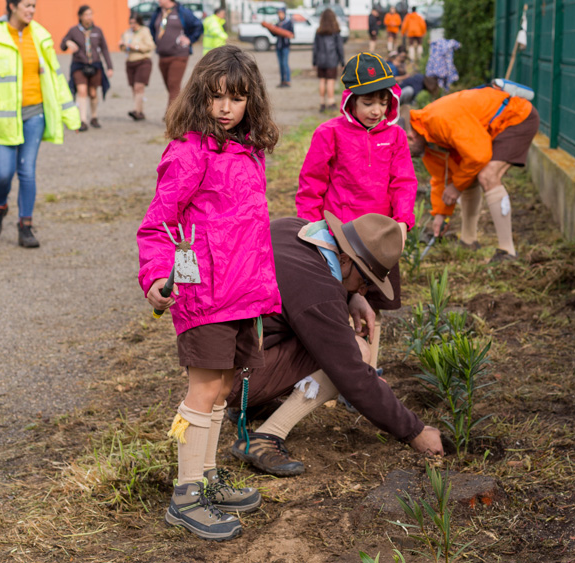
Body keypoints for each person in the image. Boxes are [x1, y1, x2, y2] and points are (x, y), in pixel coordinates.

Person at [139, 45, 281, 541]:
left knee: (222, 387)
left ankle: (205, 477)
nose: (225, 108)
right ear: (200, 96)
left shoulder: (247, 150)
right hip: (204, 293)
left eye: (236, 98)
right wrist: (157, 275)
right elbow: (159, 223)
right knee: (203, 389)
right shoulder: (188, 152)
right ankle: (185, 496)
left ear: (250, 102)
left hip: (244, 292)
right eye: (216, 97)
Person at [226, 212, 444, 477]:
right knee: (354, 352)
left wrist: (350, 294)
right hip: (234, 380)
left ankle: (252, 406)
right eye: (364, 282)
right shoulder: (318, 292)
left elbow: (303, 293)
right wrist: (414, 431)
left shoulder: (293, 229)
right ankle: (266, 436)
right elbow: (351, 374)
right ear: (343, 260)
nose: (364, 291)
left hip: (219, 359)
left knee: (324, 339)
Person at [296, 53, 416, 365]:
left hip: (379, 242)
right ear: (350, 101)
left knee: (373, 305)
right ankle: (341, 371)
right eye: (368, 103)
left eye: (382, 101)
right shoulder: (329, 133)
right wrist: (313, 232)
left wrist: (401, 223)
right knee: (337, 304)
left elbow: (403, 181)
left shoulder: (396, 137)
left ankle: (370, 369)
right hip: (341, 239)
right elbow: (312, 184)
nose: (377, 110)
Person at [0, 0, 81, 248]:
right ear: (12, 6)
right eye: (27, 5)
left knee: (27, 171)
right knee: (4, 173)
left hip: (34, 115)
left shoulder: (40, 36)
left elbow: (55, 78)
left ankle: (25, 226)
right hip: (1, 117)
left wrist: (71, 115)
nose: (31, 10)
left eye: (33, 6)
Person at [408, 85, 539, 261]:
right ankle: (468, 241)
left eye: (403, 149)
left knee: (487, 176)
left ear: (410, 136)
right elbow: (442, 179)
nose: (405, 154)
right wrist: (441, 214)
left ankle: (508, 252)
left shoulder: (438, 120)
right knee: (467, 178)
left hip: (516, 117)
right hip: (492, 129)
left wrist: (456, 187)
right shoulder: (427, 141)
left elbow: (479, 156)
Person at [149, 0, 204, 110]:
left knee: (174, 85)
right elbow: (152, 29)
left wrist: (190, 39)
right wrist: (156, 41)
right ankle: (182, 111)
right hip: (163, 55)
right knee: (170, 87)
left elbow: (198, 25)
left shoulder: (182, 11)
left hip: (179, 55)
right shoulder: (158, 12)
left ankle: (170, 117)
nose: (158, 0)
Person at [60, 5, 114, 131]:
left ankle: (94, 116)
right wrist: (68, 43)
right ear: (80, 16)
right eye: (86, 14)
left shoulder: (97, 31)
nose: (89, 17)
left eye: (91, 14)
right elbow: (62, 44)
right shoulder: (73, 30)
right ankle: (82, 120)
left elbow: (104, 49)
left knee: (93, 92)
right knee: (81, 91)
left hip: (95, 64)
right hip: (79, 65)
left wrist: (109, 66)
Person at [119, 13, 155, 121]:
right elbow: (124, 48)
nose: (132, 25)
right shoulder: (127, 33)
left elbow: (151, 46)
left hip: (143, 61)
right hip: (130, 62)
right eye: (130, 23)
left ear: (139, 22)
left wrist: (136, 47)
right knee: (134, 88)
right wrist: (122, 46)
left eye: (134, 23)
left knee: (139, 87)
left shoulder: (145, 31)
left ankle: (135, 110)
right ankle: (140, 112)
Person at [311, 8, 344, 112]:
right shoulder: (336, 32)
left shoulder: (318, 32)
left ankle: (322, 102)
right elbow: (340, 48)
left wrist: (314, 61)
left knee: (322, 81)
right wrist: (342, 61)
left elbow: (315, 48)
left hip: (321, 60)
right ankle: (331, 101)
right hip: (332, 60)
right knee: (330, 81)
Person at [273, 7, 294, 88]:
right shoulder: (277, 23)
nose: (280, 15)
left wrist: (283, 32)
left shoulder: (288, 23)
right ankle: (282, 81)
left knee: (285, 64)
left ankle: (287, 81)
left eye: (281, 13)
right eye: (279, 13)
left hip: (285, 46)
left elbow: (292, 34)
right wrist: (270, 29)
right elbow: (274, 34)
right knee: (281, 64)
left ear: (284, 13)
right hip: (278, 46)